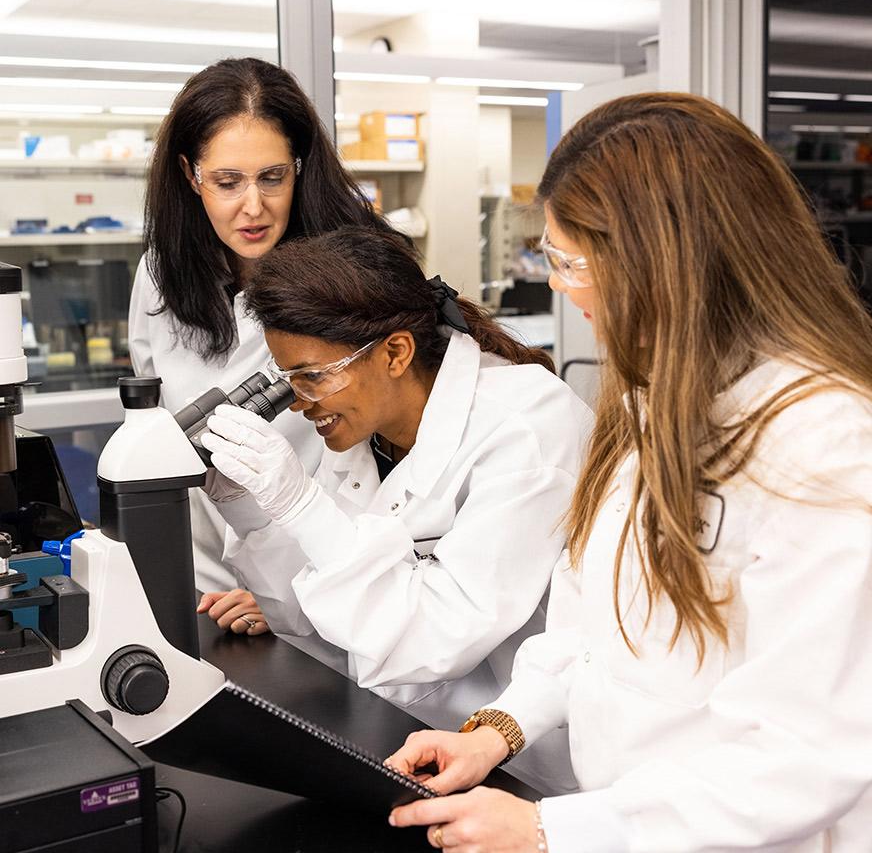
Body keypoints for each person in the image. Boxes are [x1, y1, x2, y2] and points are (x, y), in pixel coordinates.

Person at [386, 92, 872, 852]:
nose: (556, 284)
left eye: (570, 261)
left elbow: (802, 752)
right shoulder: (654, 398)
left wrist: (552, 829)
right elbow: (585, 627)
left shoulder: (824, 441)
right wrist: (497, 732)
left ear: (663, 264)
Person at [199, 225, 593, 794]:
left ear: (395, 352)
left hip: (528, 765)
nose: (302, 404)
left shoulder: (526, 429)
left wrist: (301, 504)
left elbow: (434, 639)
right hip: (417, 736)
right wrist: (248, 505)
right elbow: (321, 611)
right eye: (289, 381)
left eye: (312, 377)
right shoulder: (371, 430)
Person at [128, 57, 389, 595]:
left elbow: (380, 459)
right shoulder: (161, 274)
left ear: (300, 166)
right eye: (228, 182)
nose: (254, 207)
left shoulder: (353, 271)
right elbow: (158, 431)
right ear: (189, 174)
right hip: (201, 578)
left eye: (273, 177)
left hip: (324, 578)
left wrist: (278, 590)